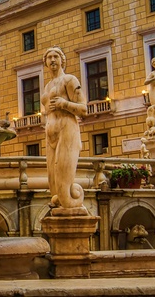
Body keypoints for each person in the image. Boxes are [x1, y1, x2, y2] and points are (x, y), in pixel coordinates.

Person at [42, 46, 88, 211]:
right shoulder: (47, 87)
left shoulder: (70, 80)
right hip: (50, 135)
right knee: (53, 185)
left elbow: (83, 109)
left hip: (67, 131)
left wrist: (64, 104)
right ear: (45, 63)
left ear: (62, 60)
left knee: (64, 189)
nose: (52, 60)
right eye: (49, 57)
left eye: (56, 56)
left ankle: (74, 211)